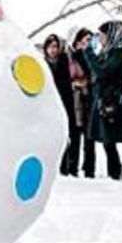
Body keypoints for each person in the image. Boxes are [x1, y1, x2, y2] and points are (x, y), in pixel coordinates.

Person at [80, 20, 122, 180]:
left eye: (102, 35)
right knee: (106, 140)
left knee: (109, 140)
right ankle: (115, 172)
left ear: (111, 36)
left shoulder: (119, 54)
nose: (100, 39)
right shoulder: (108, 53)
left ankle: (115, 173)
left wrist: (88, 53)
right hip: (103, 99)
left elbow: (102, 72)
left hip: (111, 101)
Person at [43, 34, 78, 176]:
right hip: (50, 104)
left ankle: (67, 167)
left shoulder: (64, 61)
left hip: (65, 102)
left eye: (55, 47)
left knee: (67, 135)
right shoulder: (43, 63)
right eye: (50, 47)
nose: (53, 50)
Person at [68, 27, 97, 178]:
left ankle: (89, 170)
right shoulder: (69, 56)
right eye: (86, 40)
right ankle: (71, 169)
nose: (88, 43)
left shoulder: (89, 56)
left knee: (89, 138)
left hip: (88, 100)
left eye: (90, 41)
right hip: (73, 101)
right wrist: (74, 84)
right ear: (77, 40)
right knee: (74, 137)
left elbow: (94, 75)